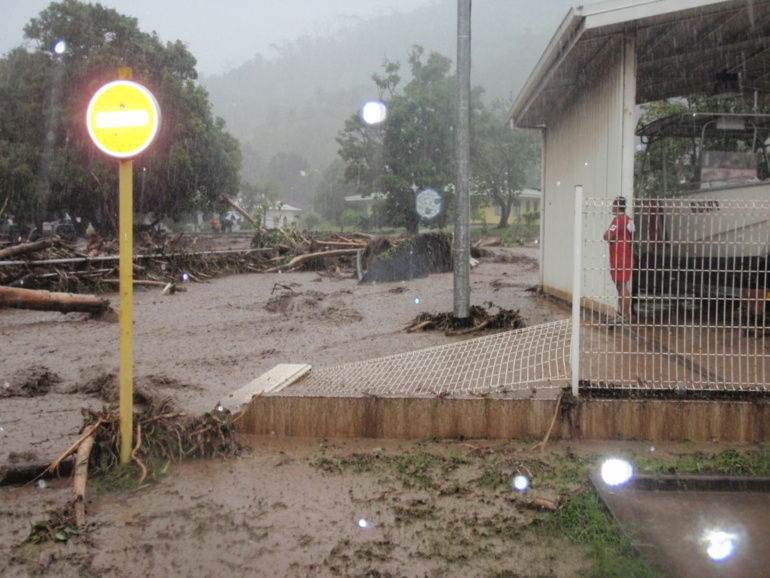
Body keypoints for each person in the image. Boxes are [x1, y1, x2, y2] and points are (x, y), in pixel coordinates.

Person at [603, 196, 635, 322]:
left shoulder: (618, 220)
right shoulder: (628, 220)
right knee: (621, 285)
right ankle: (622, 313)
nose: (612, 207)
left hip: (619, 256)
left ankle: (625, 315)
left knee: (621, 286)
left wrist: (607, 235)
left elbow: (608, 236)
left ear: (617, 206)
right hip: (625, 255)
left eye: (613, 204)